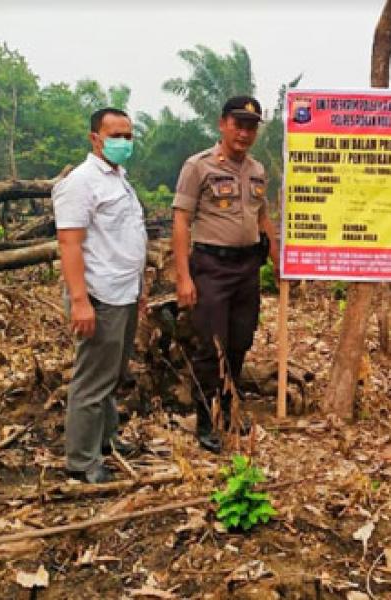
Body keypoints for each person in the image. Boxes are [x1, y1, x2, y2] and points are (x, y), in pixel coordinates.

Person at [172, 96, 279, 454]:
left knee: (239, 341)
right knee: (210, 347)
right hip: (211, 267)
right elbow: (181, 221)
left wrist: (279, 260)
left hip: (247, 268)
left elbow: (262, 218)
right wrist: (183, 277)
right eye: (238, 125)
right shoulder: (198, 167)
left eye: (251, 127)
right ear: (222, 124)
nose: (245, 133)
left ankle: (230, 410)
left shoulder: (257, 169)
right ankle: (207, 420)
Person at [53, 107, 147, 483]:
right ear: (96, 138)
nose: (124, 142)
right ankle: (81, 461)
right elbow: (69, 244)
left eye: (128, 135)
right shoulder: (81, 182)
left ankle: (105, 440)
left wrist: (139, 289)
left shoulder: (119, 179)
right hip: (99, 295)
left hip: (124, 291)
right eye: (116, 135)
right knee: (92, 380)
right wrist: (80, 301)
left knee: (112, 374)